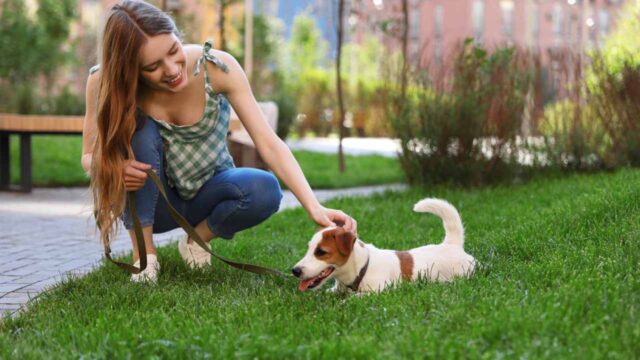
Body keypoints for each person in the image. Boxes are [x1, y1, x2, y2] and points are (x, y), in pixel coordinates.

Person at [81, 0, 357, 283]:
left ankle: (195, 241)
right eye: (152, 67)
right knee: (140, 131)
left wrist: (314, 206)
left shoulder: (215, 67)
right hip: (155, 204)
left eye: (173, 50)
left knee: (265, 189)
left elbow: (268, 141)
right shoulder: (103, 82)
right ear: (130, 70)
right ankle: (145, 260)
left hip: (209, 195)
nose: (172, 69)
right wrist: (114, 168)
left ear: (178, 35)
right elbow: (89, 157)